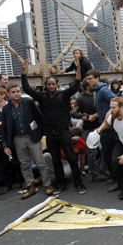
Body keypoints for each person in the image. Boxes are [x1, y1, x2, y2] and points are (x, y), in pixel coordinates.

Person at [22, 59, 86, 195]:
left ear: (57, 85)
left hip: (63, 132)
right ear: (46, 86)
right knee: (56, 160)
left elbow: (76, 85)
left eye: (53, 84)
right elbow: (27, 89)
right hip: (50, 134)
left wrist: (78, 69)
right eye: (49, 84)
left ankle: (79, 184)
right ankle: (60, 184)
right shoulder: (42, 97)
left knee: (71, 158)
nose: (51, 86)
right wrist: (23, 73)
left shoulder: (63, 95)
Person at [1, 84, 53, 198]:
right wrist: (5, 145)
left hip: (32, 136)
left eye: (18, 91)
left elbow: (39, 118)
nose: (16, 94)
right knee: (24, 164)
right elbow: (4, 127)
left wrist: (42, 134)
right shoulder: (6, 108)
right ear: (8, 94)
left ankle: (47, 184)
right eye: (13, 92)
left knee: (40, 162)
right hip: (17, 138)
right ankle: (30, 186)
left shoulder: (28, 103)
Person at [85, 69, 117, 187]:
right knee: (107, 154)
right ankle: (115, 177)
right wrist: (96, 115)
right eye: (87, 79)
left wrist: (109, 112)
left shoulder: (103, 90)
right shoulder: (97, 91)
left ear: (97, 78)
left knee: (108, 154)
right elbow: (104, 107)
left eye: (90, 79)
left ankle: (116, 179)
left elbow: (116, 101)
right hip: (105, 126)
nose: (88, 81)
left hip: (109, 127)